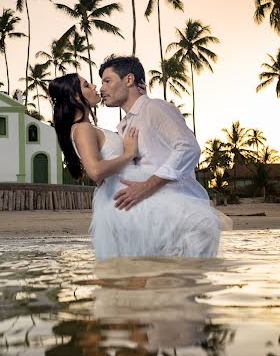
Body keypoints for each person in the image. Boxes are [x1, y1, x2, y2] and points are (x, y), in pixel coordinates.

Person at [48, 58, 223, 259]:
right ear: (74, 97)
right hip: (138, 211)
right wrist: (125, 158)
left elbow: (188, 147)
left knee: (176, 276)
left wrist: (146, 184)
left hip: (170, 209)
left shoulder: (154, 108)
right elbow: (98, 169)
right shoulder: (116, 126)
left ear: (129, 79)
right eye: (91, 84)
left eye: (107, 81)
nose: (100, 87)